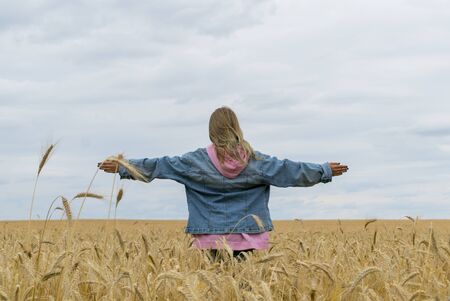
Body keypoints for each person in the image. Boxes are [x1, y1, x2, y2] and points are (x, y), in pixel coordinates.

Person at [99, 106, 348, 259]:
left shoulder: (193, 162)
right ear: (237, 128)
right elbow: (289, 171)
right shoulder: (255, 161)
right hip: (250, 239)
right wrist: (323, 170)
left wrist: (124, 167)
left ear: (211, 131)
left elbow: (159, 165)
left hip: (209, 240)